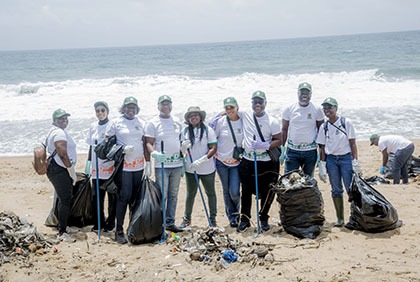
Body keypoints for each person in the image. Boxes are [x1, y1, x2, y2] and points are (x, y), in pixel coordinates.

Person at [105, 96, 150, 244]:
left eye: (133, 107)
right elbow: (107, 145)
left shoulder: (141, 122)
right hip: (123, 166)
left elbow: (144, 144)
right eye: (128, 107)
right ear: (123, 108)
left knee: (134, 198)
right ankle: (119, 230)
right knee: (123, 196)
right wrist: (122, 149)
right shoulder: (116, 123)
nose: (131, 110)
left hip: (139, 165)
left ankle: (133, 227)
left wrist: (148, 162)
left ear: (136, 109)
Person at [237, 91, 281, 233]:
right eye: (255, 102)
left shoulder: (272, 121)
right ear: (251, 103)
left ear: (265, 104)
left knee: (267, 191)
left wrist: (265, 145)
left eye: (260, 102)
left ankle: (263, 217)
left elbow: (279, 140)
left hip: (267, 162)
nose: (257, 105)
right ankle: (245, 219)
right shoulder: (245, 114)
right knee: (246, 191)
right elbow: (230, 111)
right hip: (248, 160)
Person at [316, 97, 361, 227]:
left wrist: (355, 161)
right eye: (325, 108)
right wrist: (322, 165)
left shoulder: (346, 122)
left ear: (336, 108)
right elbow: (322, 147)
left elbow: (353, 144)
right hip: (331, 160)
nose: (327, 110)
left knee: (350, 189)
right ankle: (340, 219)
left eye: (330, 107)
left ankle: (355, 217)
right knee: (336, 190)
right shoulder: (324, 127)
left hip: (345, 159)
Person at [145, 95, 184, 233]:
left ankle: (170, 222)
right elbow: (148, 143)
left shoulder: (178, 121)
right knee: (163, 194)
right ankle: (160, 224)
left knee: (173, 194)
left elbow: (181, 141)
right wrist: (154, 154)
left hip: (177, 164)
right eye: (163, 104)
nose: (165, 106)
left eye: (168, 104)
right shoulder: (153, 122)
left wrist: (183, 153)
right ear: (158, 106)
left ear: (171, 105)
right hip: (162, 165)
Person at [179, 106, 218, 228]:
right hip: (190, 169)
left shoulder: (208, 130)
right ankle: (187, 219)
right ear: (188, 119)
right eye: (191, 116)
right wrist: (183, 148)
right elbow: (181, 153)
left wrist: (202, 160)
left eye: (196, 115)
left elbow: (213, 148)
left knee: (210, 193)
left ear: (200, 117)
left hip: (207, 169)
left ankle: (212, 219)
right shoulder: (185, 131)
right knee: (190, 193)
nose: (194, 117)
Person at [46, 109, 78, 243]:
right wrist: (70, 169)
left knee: (62, 197)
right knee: (65, 199)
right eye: (61, 118)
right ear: (54, 120)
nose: (64, 120)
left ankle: (63, 226)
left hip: (55, 167)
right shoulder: (59, 133)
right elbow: (62, 153)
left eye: (66, 118)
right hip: (59, 169)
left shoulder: (53, 131)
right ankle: (62, 232)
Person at [212, 97, 243, 228]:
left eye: (232, 107)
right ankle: (233, 217)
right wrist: (219, 114)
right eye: (227, 108)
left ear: (237, 107)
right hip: (221, 161)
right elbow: (211, 132)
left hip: (236, 162)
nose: (229, 110)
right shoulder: (220, 122)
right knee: (226, 190)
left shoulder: (243, 121)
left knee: (234, 192)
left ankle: (236, 212)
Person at [281, 82, 324, 176]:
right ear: (297, 93)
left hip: (310, 151)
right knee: (288, 180)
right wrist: (282, 148)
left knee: (308, 182)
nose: (304, 95)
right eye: (302, 92)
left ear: (311, 94)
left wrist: (321, 152)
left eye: (307, 93)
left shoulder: (317, 109)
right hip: (292, 151)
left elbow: (321, 131)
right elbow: (284, 129)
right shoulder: (289, 108)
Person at [86, 101, 116, 233]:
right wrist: (88, 162)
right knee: (97, 197)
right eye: (97, 111)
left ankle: (110, 223)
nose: (100, 113)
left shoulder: (112, 125)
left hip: (109, 168)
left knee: (112, 197)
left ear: (107, 111)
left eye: (102, 110)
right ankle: (99, 222)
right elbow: (91, 147)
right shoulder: (93, 126)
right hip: (95, 168)